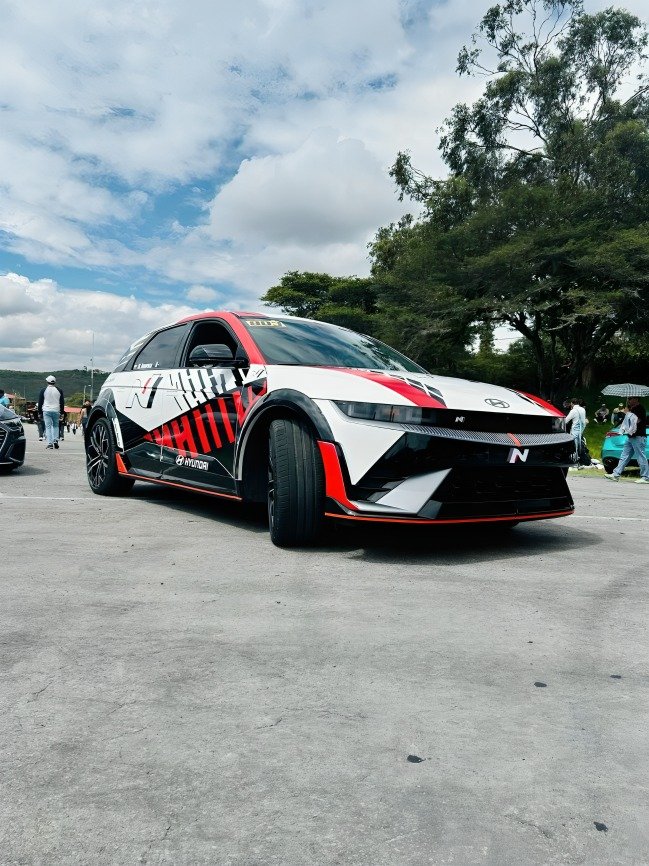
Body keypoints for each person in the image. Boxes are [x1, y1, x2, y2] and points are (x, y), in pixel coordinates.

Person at [604, 396, 649, 483]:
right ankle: (616, 474)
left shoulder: (640, 409)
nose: (628, 400)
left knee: (640, 456)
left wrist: (628, 413)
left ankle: (645, 477)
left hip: (638, 436)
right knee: (624, 455)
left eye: (630, 398)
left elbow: (637, 421)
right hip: (630, 436)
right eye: (628, 399)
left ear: (636, 399)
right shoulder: (631, 408)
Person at [37, 375, 65, 450]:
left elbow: (40, 402)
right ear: (54, 382)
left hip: (46, 410)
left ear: (47, 381)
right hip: (56, 410)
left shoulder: (43, 390)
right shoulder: (59, 390)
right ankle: (55, 440)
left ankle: (50, 444)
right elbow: (62, 402)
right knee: (56, 426)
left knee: (48, 427)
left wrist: (39, 412)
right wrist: (62, 412)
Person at [565, 397, 588, 466]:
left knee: (573, 446)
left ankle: (574, 461)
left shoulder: (573, 411)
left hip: (574, 430)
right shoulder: (583, 410)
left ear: (572, 403)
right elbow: (584, 422)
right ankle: (580, 461)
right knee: (579, 445)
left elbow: (566, 420)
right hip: (581, 430)